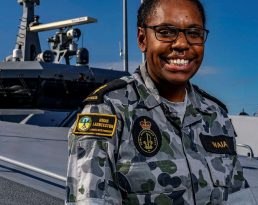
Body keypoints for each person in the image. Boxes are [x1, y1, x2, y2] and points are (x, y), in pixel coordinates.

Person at [66, 0, 248, 204]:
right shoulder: (108, 111)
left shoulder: (216, 115)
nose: (182, 44)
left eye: (194, 33)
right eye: (166, 32)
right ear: (142, 39)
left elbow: (238, 197)